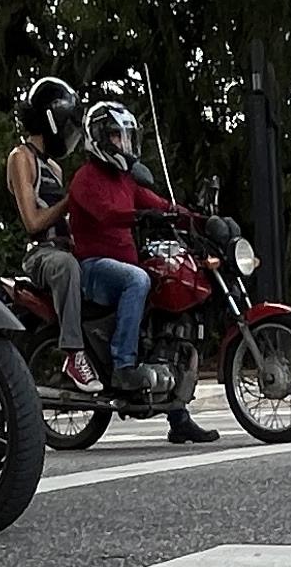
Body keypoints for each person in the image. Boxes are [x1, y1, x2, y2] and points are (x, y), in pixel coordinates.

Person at [60, 98, 216, 442]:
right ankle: (123, 366)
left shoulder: (127, 180)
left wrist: (199, 219)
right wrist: (140, 216)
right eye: (117, 137)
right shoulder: (85, 179)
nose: (124, 145)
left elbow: (159, 204)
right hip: (94, 269)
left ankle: (178, 415)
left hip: (125, 266)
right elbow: (106, 214)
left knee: (168, 284)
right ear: (99, 138)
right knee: (138, 278)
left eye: (127, 138)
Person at [7, 78, 88, 391]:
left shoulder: (54, 168)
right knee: (66, 267)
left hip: (67, 248)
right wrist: (70, 200)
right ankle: (74, 352)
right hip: (43, 254)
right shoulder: (21, 158)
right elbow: (32, 221)